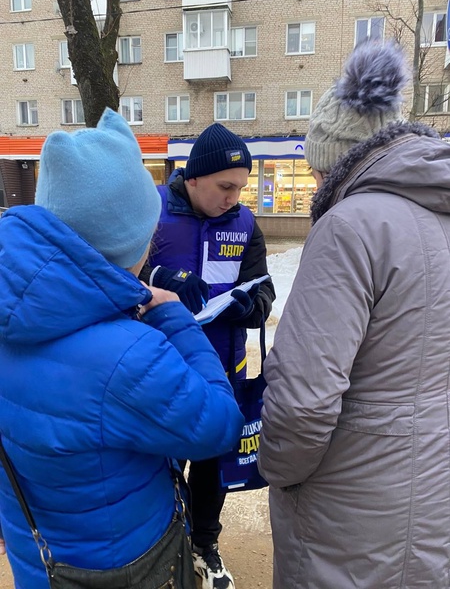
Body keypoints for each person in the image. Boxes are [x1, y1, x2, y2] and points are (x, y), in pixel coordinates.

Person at [0, 108, 245, 589]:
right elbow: (218, 424)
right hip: (126, 566)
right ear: (126, 243)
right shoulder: (127, 355)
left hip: (41, 559)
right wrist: (173, 316)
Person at [258, 39, 450, 589]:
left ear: (336, 160)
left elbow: (302, 400)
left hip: (349, 514)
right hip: (432, 492)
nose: (318, 185)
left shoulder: (348, 226)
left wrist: (276, 470)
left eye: (317, 172)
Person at [140, 122, 275, 589]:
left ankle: (204, 544)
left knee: (212, 461)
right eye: (224, 186)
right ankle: (161, 543)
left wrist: (250, 304)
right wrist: (159, 274)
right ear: (193, 178)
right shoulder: (149, 208)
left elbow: (264, 289)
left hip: (223, 368)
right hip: (158, 363)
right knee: (159, 460)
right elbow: (111, 269)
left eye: (240, 188)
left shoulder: (245, 223)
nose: (233, 198)